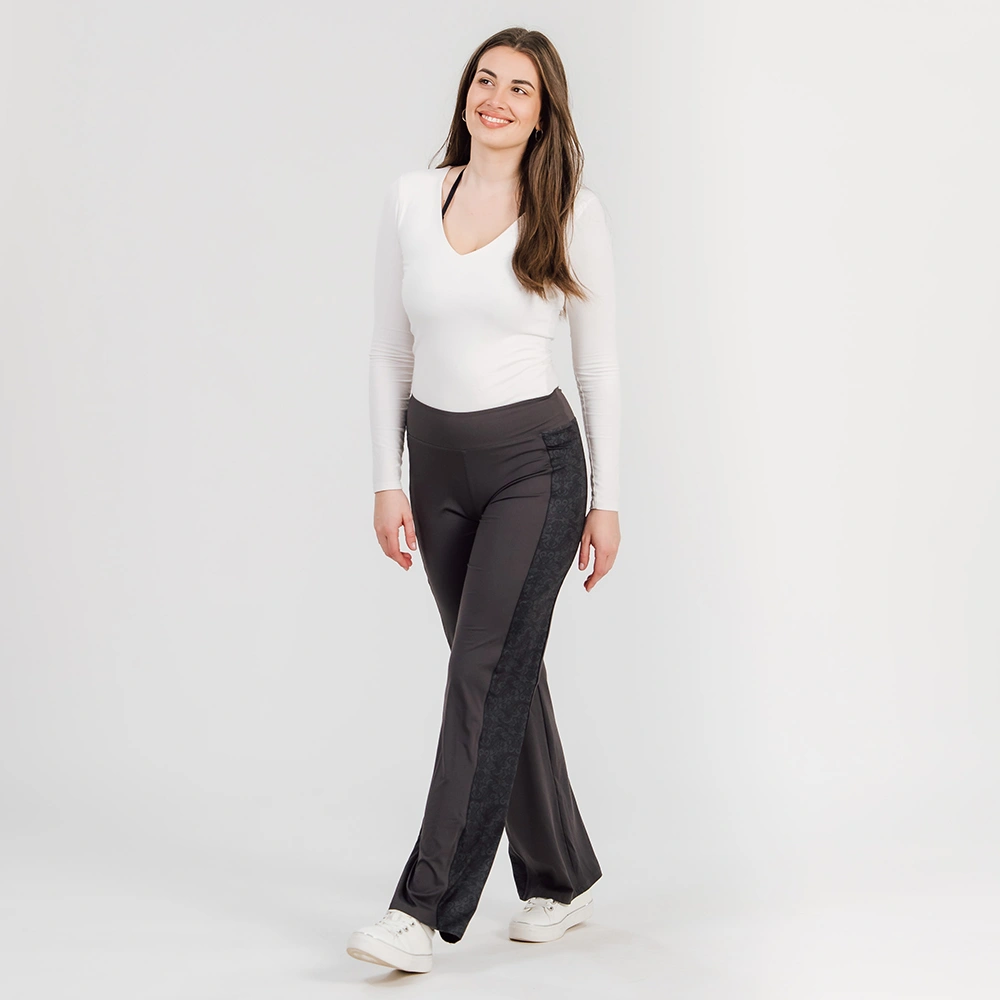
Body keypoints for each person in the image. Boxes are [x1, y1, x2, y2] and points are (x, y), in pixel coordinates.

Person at [346, 26, 621, 974]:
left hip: (533, 470)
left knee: (480, 673)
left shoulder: (571, 212)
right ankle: (562, 876)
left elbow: (599, 365)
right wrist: (386, 478)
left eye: (520, 89)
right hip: (436, 470)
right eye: (486, 80)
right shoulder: (411, 198)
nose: (496, 99)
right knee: (503, 672)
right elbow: (389, 349)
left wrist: (608, 500)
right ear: (467, 91)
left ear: (545, 114)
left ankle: (420, 910)